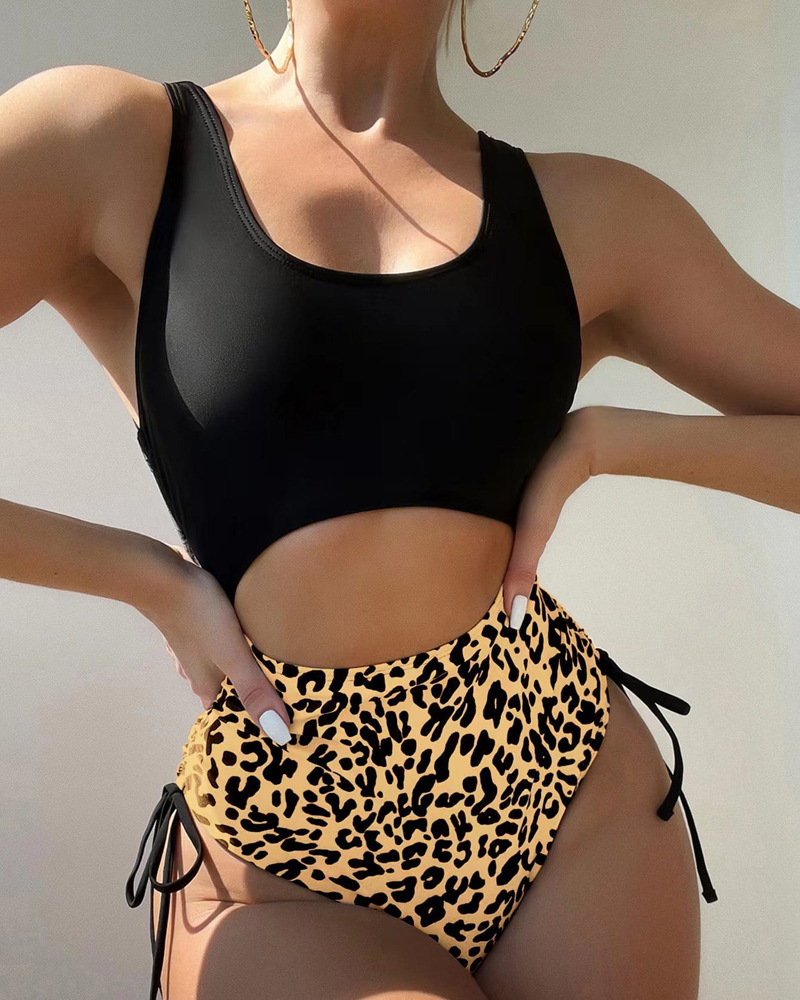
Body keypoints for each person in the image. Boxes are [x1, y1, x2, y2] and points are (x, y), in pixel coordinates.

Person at [2, 1, 799, 998]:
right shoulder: (113, 145)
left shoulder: (594, 215)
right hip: (284, 844)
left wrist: (612, 441)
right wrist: (146, 578)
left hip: (561, 790)